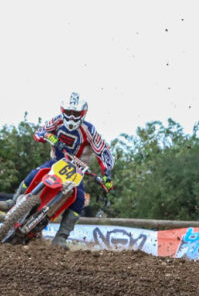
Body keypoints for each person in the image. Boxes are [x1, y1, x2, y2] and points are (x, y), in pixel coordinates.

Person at [0, 93, 114, 247]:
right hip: (56, 162)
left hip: (77, 171)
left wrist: (107, 174)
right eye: (69, 112)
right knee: (35, 173)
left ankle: (61, 237)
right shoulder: (57, 121)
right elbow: (39, 132)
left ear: (83, 114)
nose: (72, 117)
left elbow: (103, 152)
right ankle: (13, 202)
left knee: (79, 199)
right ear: (63, 111)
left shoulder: (89, 130)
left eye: (75, 114)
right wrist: (50, 137)